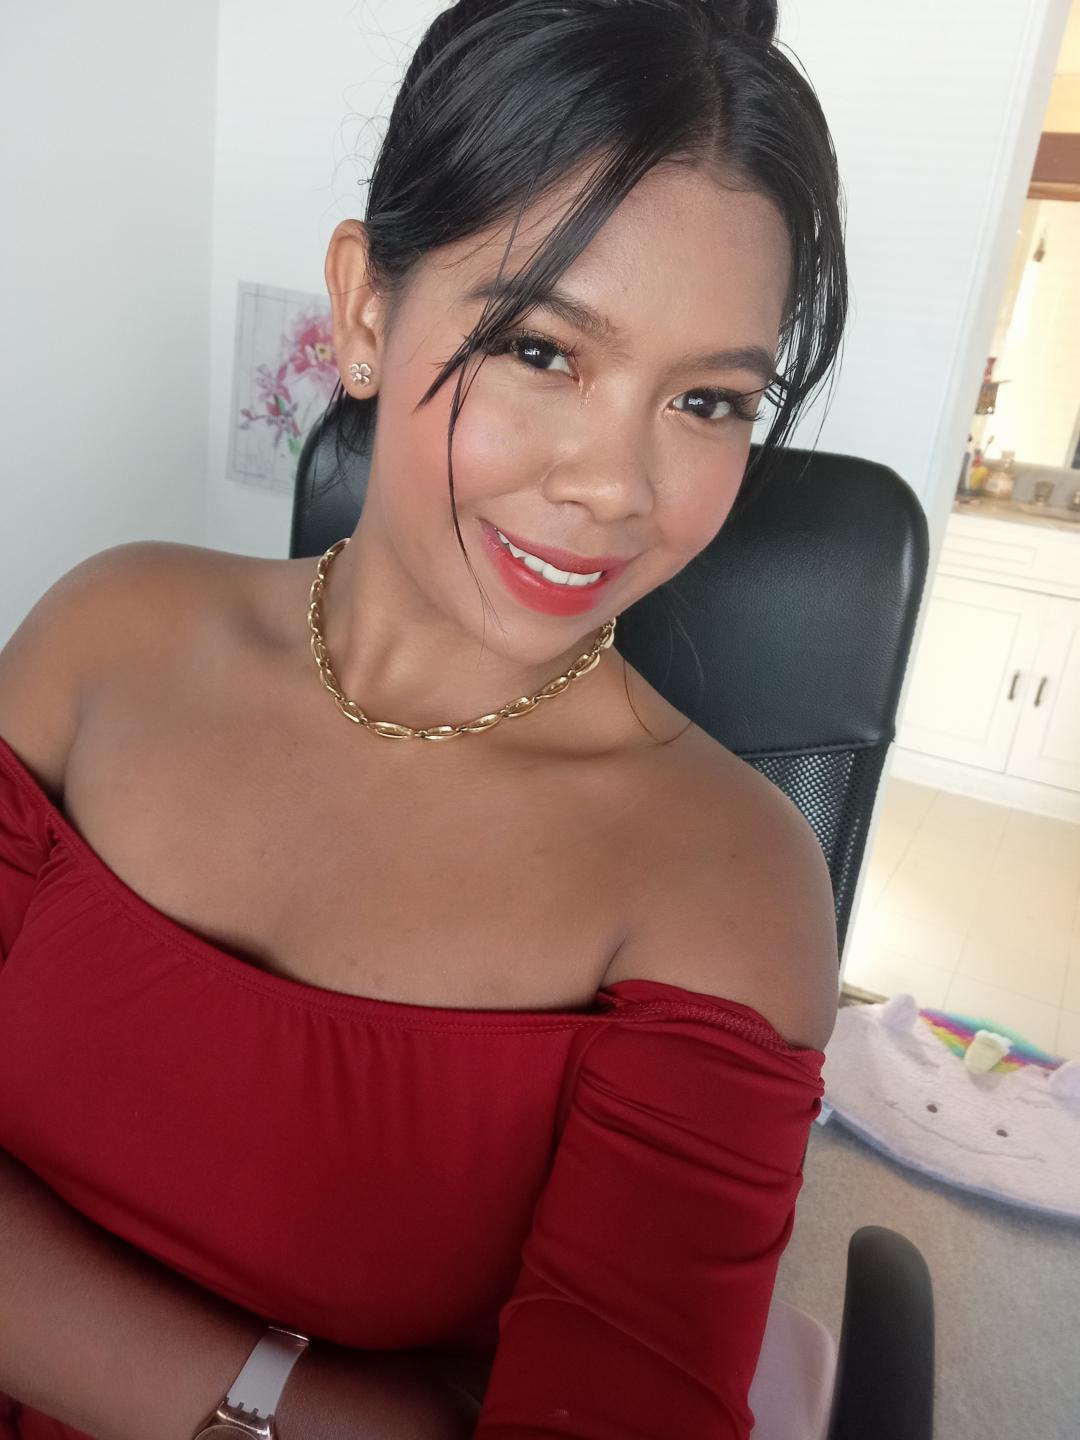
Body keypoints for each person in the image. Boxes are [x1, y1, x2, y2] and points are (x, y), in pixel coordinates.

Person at [0, 0, 848, 1435]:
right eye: (543, 350)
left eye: (709, 401)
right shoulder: (106, 633)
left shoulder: (729, 890)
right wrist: (302, 1407)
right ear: (364, 312)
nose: (615, 487)